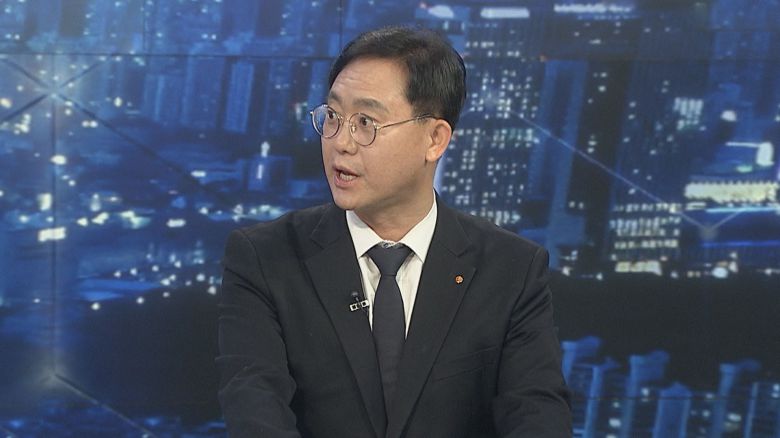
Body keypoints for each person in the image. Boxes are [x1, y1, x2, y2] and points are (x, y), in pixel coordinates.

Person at [217, 26, 572, 437]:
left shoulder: (511, 270)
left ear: (435, 139)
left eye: (366, 122)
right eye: (333, 117)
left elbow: (537, 415)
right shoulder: (265, 258)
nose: (341, 143)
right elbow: (255, 409)